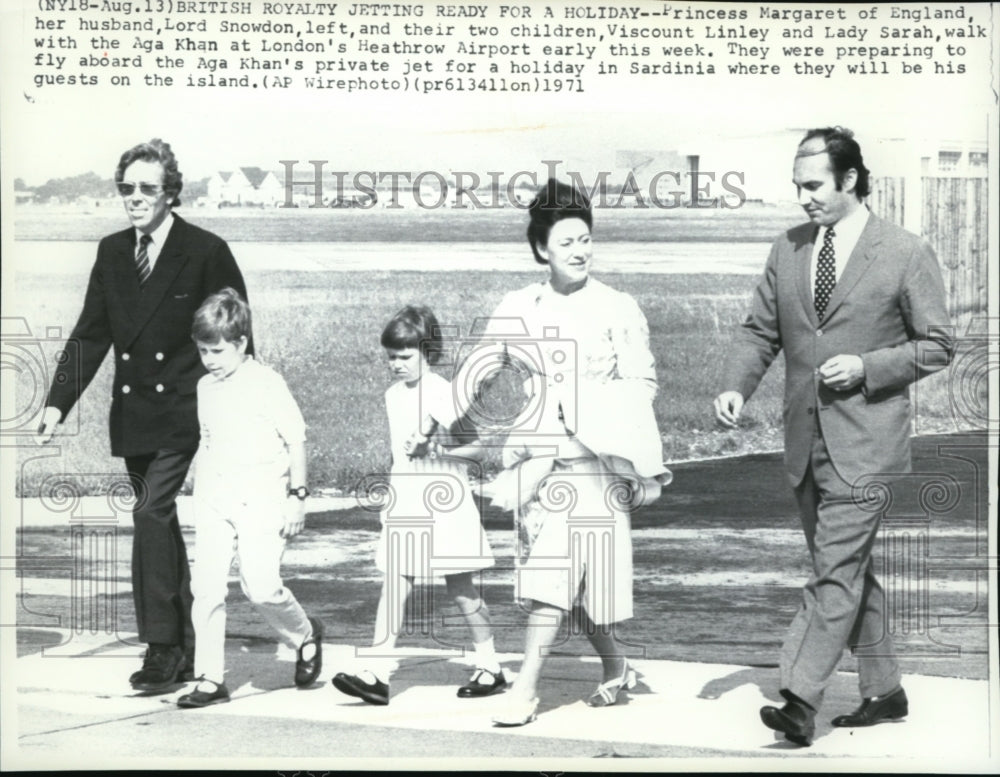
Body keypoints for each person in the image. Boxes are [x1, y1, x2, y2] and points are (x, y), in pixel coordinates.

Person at [714, 127, 954, 746]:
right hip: (804, 441)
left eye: (814, 185)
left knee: (835, 570)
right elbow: (759, 330)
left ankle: (798, 698)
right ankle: (884, 688)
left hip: (868, 443)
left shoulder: (903, 250)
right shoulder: (788, 246)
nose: (804, 198)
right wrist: (737, 384)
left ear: (849, 180)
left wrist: (868, 368)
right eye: (798, 186)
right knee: (845, 569)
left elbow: (938, 344)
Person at [35, 139, 251, 693]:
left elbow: (239, 337)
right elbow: (91, 332)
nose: (135, 197)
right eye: (126, 187)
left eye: (147, 188)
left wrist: (243, 412)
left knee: (152, 511)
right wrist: (58, 402)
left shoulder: (205, 250)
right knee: (155, 519)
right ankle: (184, 638)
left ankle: (162, 648)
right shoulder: (111, 252)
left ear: (170, 193)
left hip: (189, 408)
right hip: (135, 412)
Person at [455, 179, 670, 727]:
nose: (579, 250)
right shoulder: (518, 306)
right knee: (577, 585)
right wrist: (445, 426)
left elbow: (643, 382)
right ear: (541, 249)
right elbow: (479, 372)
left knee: (553, 579)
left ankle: (525, 689)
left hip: (594, 471)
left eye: (586, 239)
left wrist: (606, 418)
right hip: (538, 468)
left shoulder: (618, 307)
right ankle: (617, 666)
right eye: (567, 241)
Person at [331, 305, 502, 705]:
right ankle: (377, 670)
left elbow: (477, 448)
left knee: (461, 589)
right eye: (391, 356)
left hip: (445, 503)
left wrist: (436, 446)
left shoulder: (442, 392)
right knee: (396, 582)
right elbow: (398, 457)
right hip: (407, 502)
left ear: (429, 352)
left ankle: (490, 666)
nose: (396, 364)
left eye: (405, 356)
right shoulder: (393, 396)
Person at [176, 288, 323, 708]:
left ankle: (305, 635)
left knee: (259, 586)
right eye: (203, 350)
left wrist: (297, 496)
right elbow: (208, 440)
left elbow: (296, 439)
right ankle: (209, 678)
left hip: (263, 498)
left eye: (218, 350)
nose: (209, 359)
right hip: (214, 498)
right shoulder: (205, 387)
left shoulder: (267, 383)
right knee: (206, 588)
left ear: (241, 343)